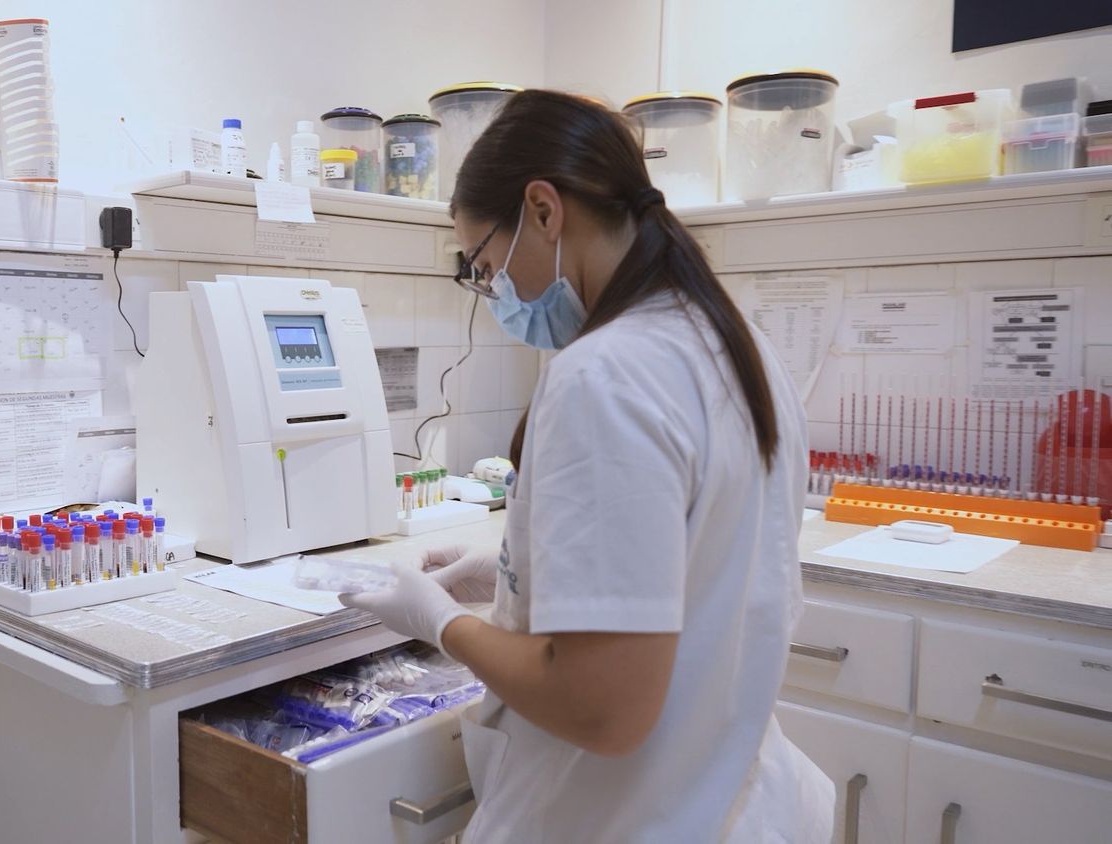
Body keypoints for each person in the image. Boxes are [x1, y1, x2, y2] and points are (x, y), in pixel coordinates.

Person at [340, 90, 834, 842]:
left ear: (544, 211)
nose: (495, 292)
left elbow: (602, 709)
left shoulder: (604, 373)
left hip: (621, 817)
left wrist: (438, 620)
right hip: (725, 804)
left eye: (482, 264)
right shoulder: (736, 346)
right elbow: (696, 562)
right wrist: (518, 574)